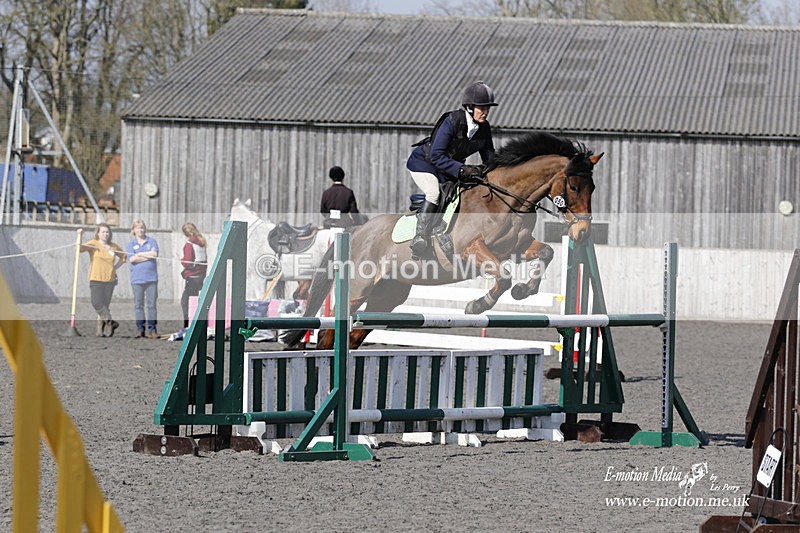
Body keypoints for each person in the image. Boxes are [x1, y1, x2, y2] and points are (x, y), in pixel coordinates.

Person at [406, 80, 498, 259]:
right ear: (469, 107)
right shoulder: (452, 121)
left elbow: (490, 158)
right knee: (434, 193)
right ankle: (420, 238)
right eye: (481, 107)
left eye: (487, 108)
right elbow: (436, 156)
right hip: (424, 163)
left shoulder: (484, 128)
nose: (486, 112)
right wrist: (462, 169)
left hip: (447, 168)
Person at [77, 224, 126, 337]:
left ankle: (100, 331)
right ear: (98, 233)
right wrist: (80, 236)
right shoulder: (93, 244)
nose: (105, 234)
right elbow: (79, 248)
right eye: (103, 232)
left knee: (105, 306)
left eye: (107, 232)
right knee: (97, 303)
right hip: (96, 278)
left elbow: (123, 257)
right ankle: (111, 323)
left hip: (110, 279)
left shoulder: (113, 246)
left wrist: (115, 268)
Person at [126, 218, 159, 338]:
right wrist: (147, 255)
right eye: (138, 228)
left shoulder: (152, 241)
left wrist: (140, 254)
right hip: (137, 279)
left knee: (151, 305)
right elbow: (132, 259)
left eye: (142, 228)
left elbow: (155, 254)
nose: (140, 230)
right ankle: (140, 329)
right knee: (138, 304)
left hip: (151, 278)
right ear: (134, 230)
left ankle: (152, 329)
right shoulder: (131, 244)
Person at [179, 222, 207, 329]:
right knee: (196, 301)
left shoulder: (189, 245)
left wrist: (182, 260)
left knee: (186, 303)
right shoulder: (201, 242)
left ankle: (188, 326)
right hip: (201, 275)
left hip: (192, 277)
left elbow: (188, 263)